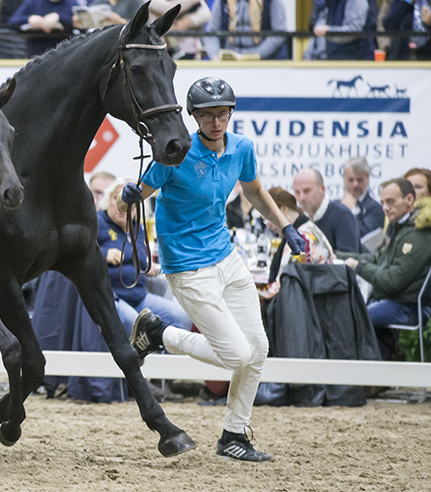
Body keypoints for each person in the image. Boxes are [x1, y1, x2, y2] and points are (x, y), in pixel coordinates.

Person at [122, 77, 305, 462]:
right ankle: (158, 333)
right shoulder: (175, 152)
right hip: (188, 267)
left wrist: (285, 227)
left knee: (258, 350)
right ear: (194, 117)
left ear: (230, 114)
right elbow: (138, 194)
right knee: (236, 355)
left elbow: (254, 191)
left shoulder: (241, 148)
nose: (216, 122)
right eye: (207, 115)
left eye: (222, 114)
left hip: (226, 257)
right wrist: (129, 195)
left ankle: (234, 435)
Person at [339, 178, 431, 332]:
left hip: (409, 308)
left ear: (409, 200)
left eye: (391, 202)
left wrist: (358, 266)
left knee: (350, 318)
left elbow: (391, 282)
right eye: (382, 203)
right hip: (394, 302)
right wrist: (337, 255)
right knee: (346, 312)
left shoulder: (417, 234)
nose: (385, 208)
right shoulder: (403, 228)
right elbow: (378, 260)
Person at [100, 181, 191, 331]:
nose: (121, 206)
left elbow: (141, 261)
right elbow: (77, 251)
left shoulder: (138, 228)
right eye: (116, 198)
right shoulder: (98, 222)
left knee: (181, 317)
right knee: (130, 320)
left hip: (138, 297)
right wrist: (103, 254)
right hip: (111, 297)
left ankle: (162, 355)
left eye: (130, 203)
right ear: (107, 200)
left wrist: (148, 267)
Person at [259, 187, 334, 298]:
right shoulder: (306, 229)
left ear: (283, 209)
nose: (268, 225)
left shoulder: (301, 238)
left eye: (268, 218)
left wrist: (254, 292)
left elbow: (282, 287)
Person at [7, 0, 77, 58]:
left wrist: (59, 18)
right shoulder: (34, 2)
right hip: (35, 60)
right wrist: (30, 19)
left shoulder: (72, 5)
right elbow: (12, 22)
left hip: (64, 60)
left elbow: (84, 27)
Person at [292, 168, 361, 253]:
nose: (301, 198)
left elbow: (349, 258)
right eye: (297, 192)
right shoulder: (299, 220)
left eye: (307, 191)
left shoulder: (342, 216)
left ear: (323, 189)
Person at [334, 156, 385, 238]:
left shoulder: (376, 209)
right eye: (351, 180)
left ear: (367, 180)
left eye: (360, 180)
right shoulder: (334, 206)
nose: (355, 184)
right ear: (344, 179)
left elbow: (365, 237)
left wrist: (354, 210)